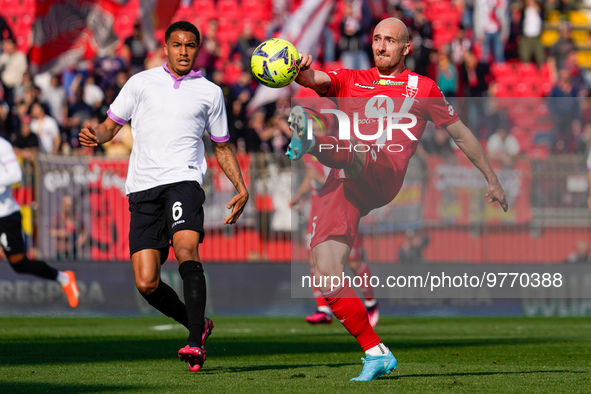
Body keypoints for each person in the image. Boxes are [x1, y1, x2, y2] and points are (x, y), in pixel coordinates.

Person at [286, 17, 508, 381]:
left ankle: (313, 141)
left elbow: (461, 134)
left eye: (390, 40)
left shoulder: (423, 88)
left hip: (382, 172)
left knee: (358, 145)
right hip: (342, 181)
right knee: (325, 272)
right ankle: (376, 352)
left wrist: (492, 178)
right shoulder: (352, 79)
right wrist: (297, 69)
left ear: (407, 47)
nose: (380, 45)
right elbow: (315, 80)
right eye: (376, 38)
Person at [78, 21, 249, 372]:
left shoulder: (210, 92)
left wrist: (241, 186)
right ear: (166, 47)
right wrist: (95, 134)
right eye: (177, 45)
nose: (183, 51)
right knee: (147, 282)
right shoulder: (140, 83)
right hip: (142, 189)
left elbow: (222, 146)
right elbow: (111, 126)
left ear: (197, 49)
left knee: (187, 249)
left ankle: (194, 341)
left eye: (190, 46)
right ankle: (198, 325)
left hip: (183, 181)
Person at [290, 148, 378, 327]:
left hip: (340, 210)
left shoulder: (339, 151)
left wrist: (319, 178)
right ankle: (323, 310)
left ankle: (370, 303)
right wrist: (298, 197)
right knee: (314, 260)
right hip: (317, 213)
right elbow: (310, 177)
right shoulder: (308, 151)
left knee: (352, 261)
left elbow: (347, 183)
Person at [0, 136, 79, 308]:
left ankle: (64, 278)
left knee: (19, 263)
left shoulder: (2, 146)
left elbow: (16, 175)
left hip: (5, 214)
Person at [50, 195, 88, 260]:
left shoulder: (76, 217)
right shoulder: (57, 217)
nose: (68, 208)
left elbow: (84, 230)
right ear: (63, 206)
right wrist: (62, 233)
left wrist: (80, 240)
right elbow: (51, 231)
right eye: (66, 205)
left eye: (70, 205)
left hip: (73, 251)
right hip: (60, 251)